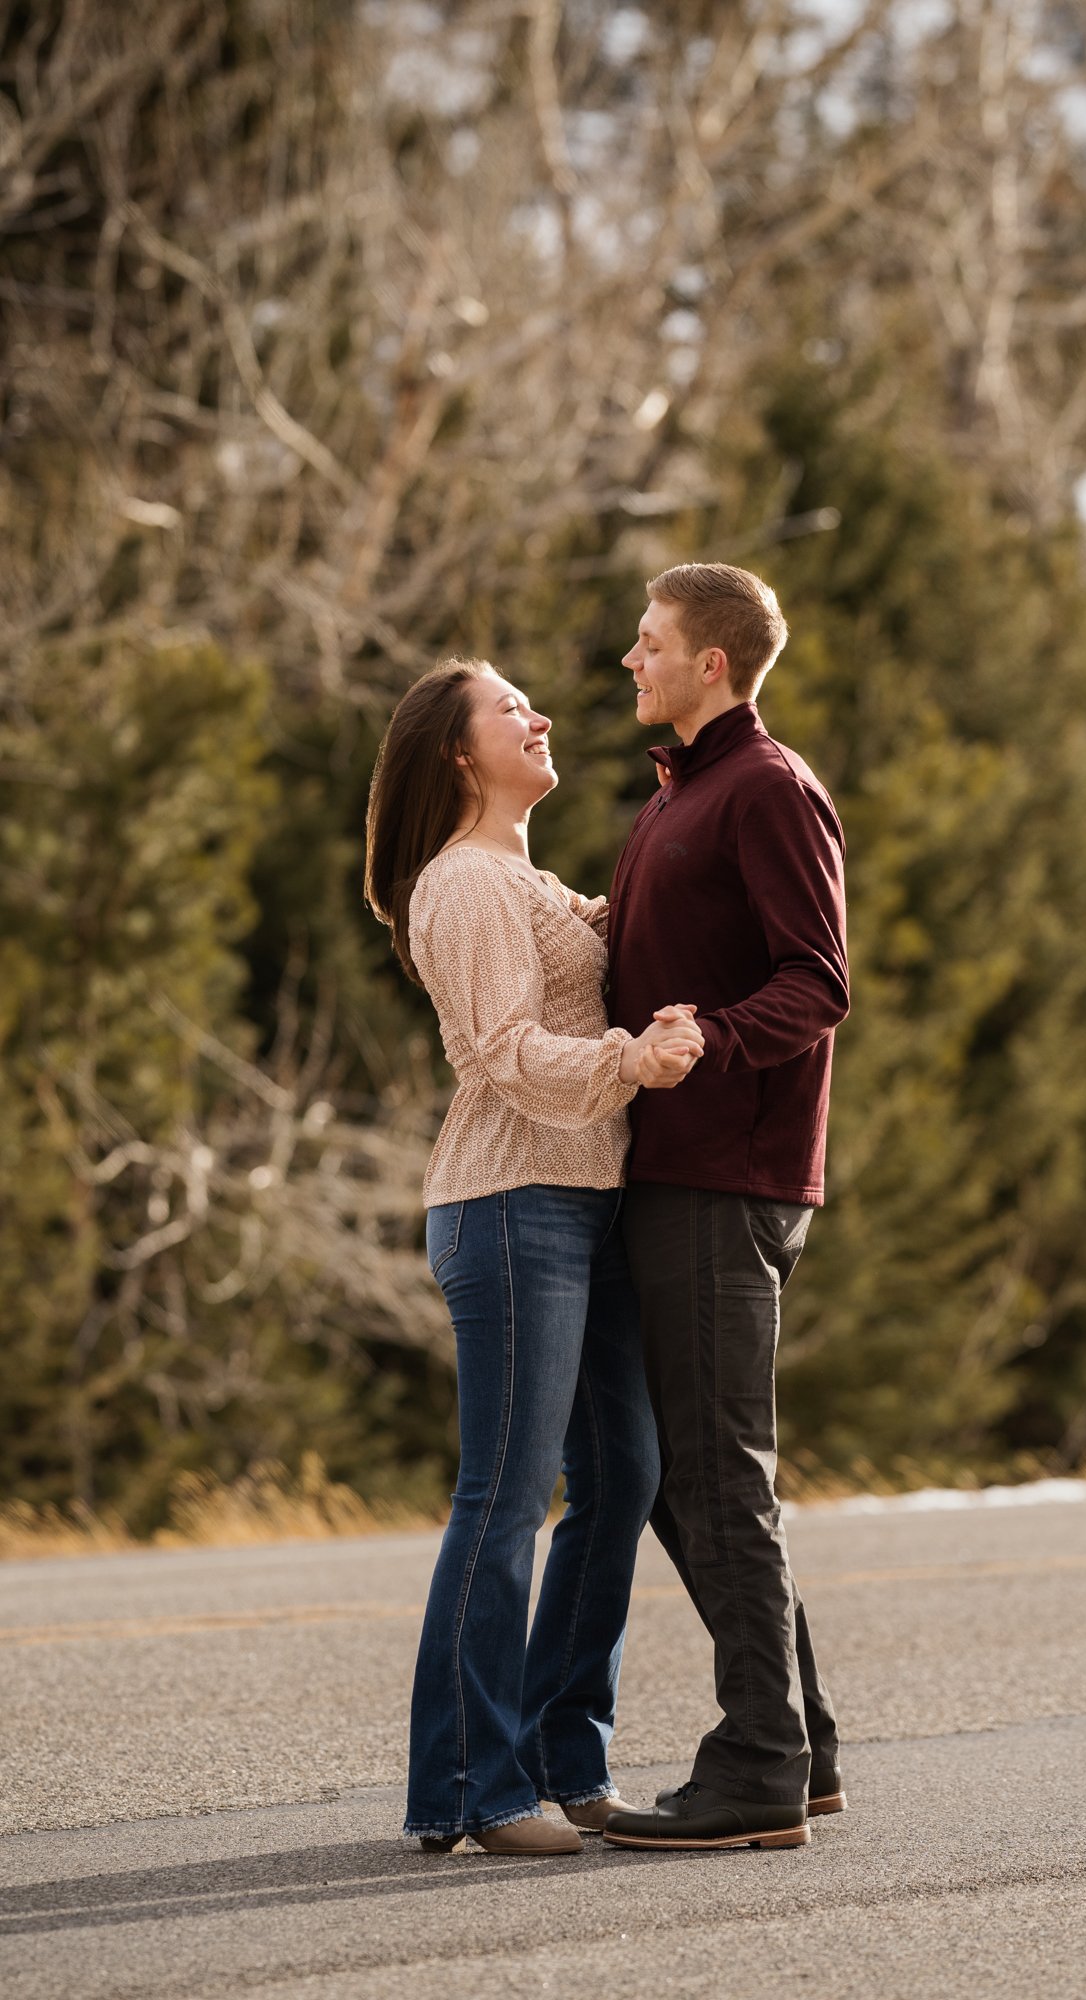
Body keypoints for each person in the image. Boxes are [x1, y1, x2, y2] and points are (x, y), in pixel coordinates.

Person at [365, 656, 703, 1857]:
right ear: (459, 754)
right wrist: (630, 1058)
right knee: (505, 1497)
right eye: (511, 708)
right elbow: (503, 1053)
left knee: (623, 1477)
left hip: (586, 1206)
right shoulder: (460, 885)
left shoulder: (526, 878)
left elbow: (605, 941)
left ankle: (570, 1757)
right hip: (510, 1207)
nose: (540, 714)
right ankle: (471, 1784)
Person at [601, 563, 850, 1853]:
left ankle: (756, 1760)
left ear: (711, 662)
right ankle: (796, 1744)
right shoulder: (677, 796)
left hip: (725, 1174)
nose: (628, 659)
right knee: (674, 1474)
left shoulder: (765, 787)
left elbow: (818, 979)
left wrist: (712, 1039)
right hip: (671, 1173)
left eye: (647, 643)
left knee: (713, 1469)